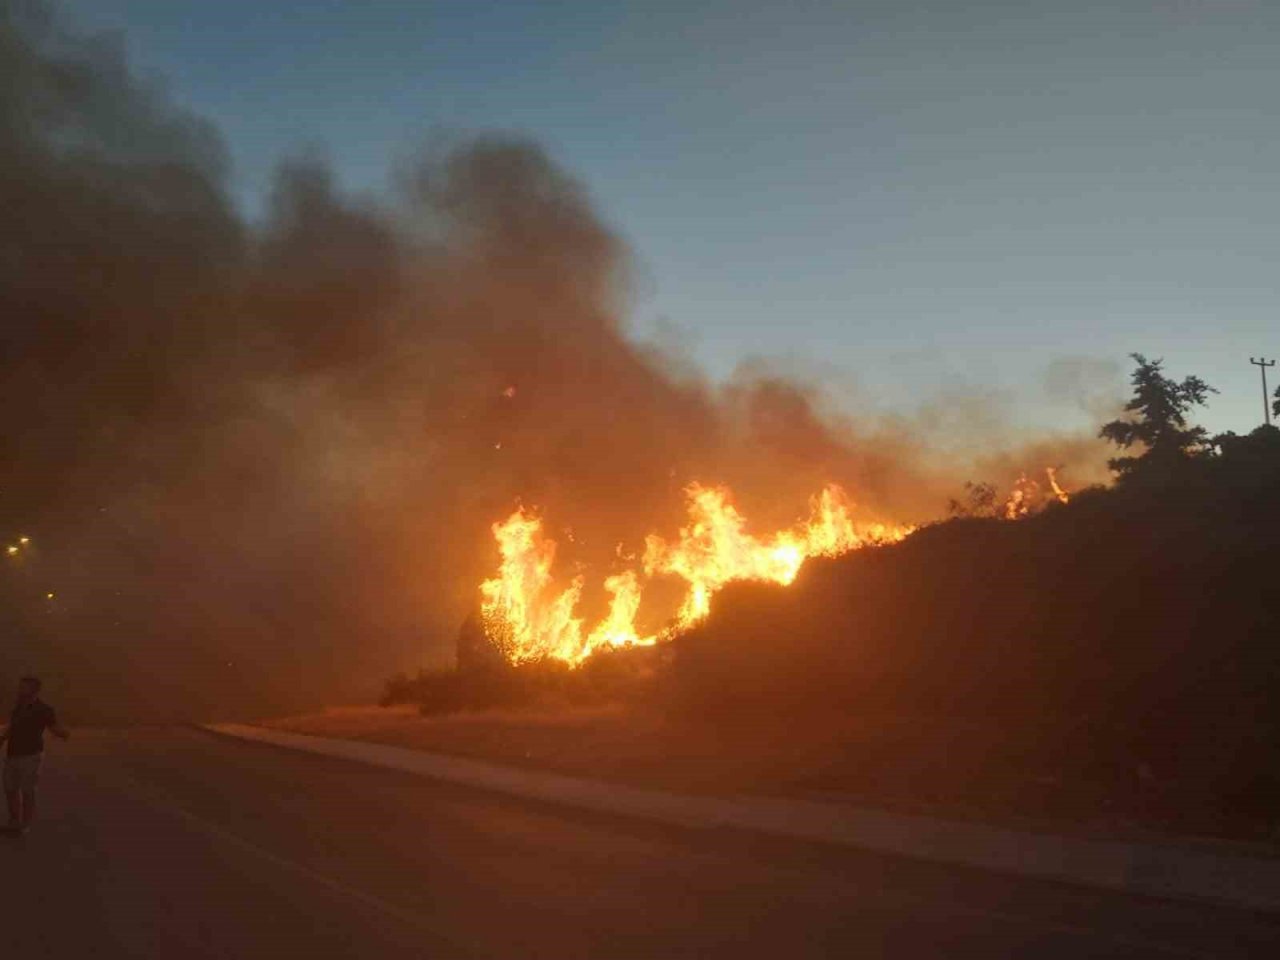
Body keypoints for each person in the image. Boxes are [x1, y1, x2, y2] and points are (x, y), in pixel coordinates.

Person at [1, 677, 70, 835]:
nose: (20, 689)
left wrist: (63, 733)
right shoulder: (18, 706)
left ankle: (25, 825)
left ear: (34, 690)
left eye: (24, 687)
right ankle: (14, 821)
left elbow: (53, 727)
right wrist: (2, 739)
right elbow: (12, 726)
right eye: (20, 686)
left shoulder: (44, 709)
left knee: (27, 790)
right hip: (12, 754)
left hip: (31, 755)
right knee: (10, 789)